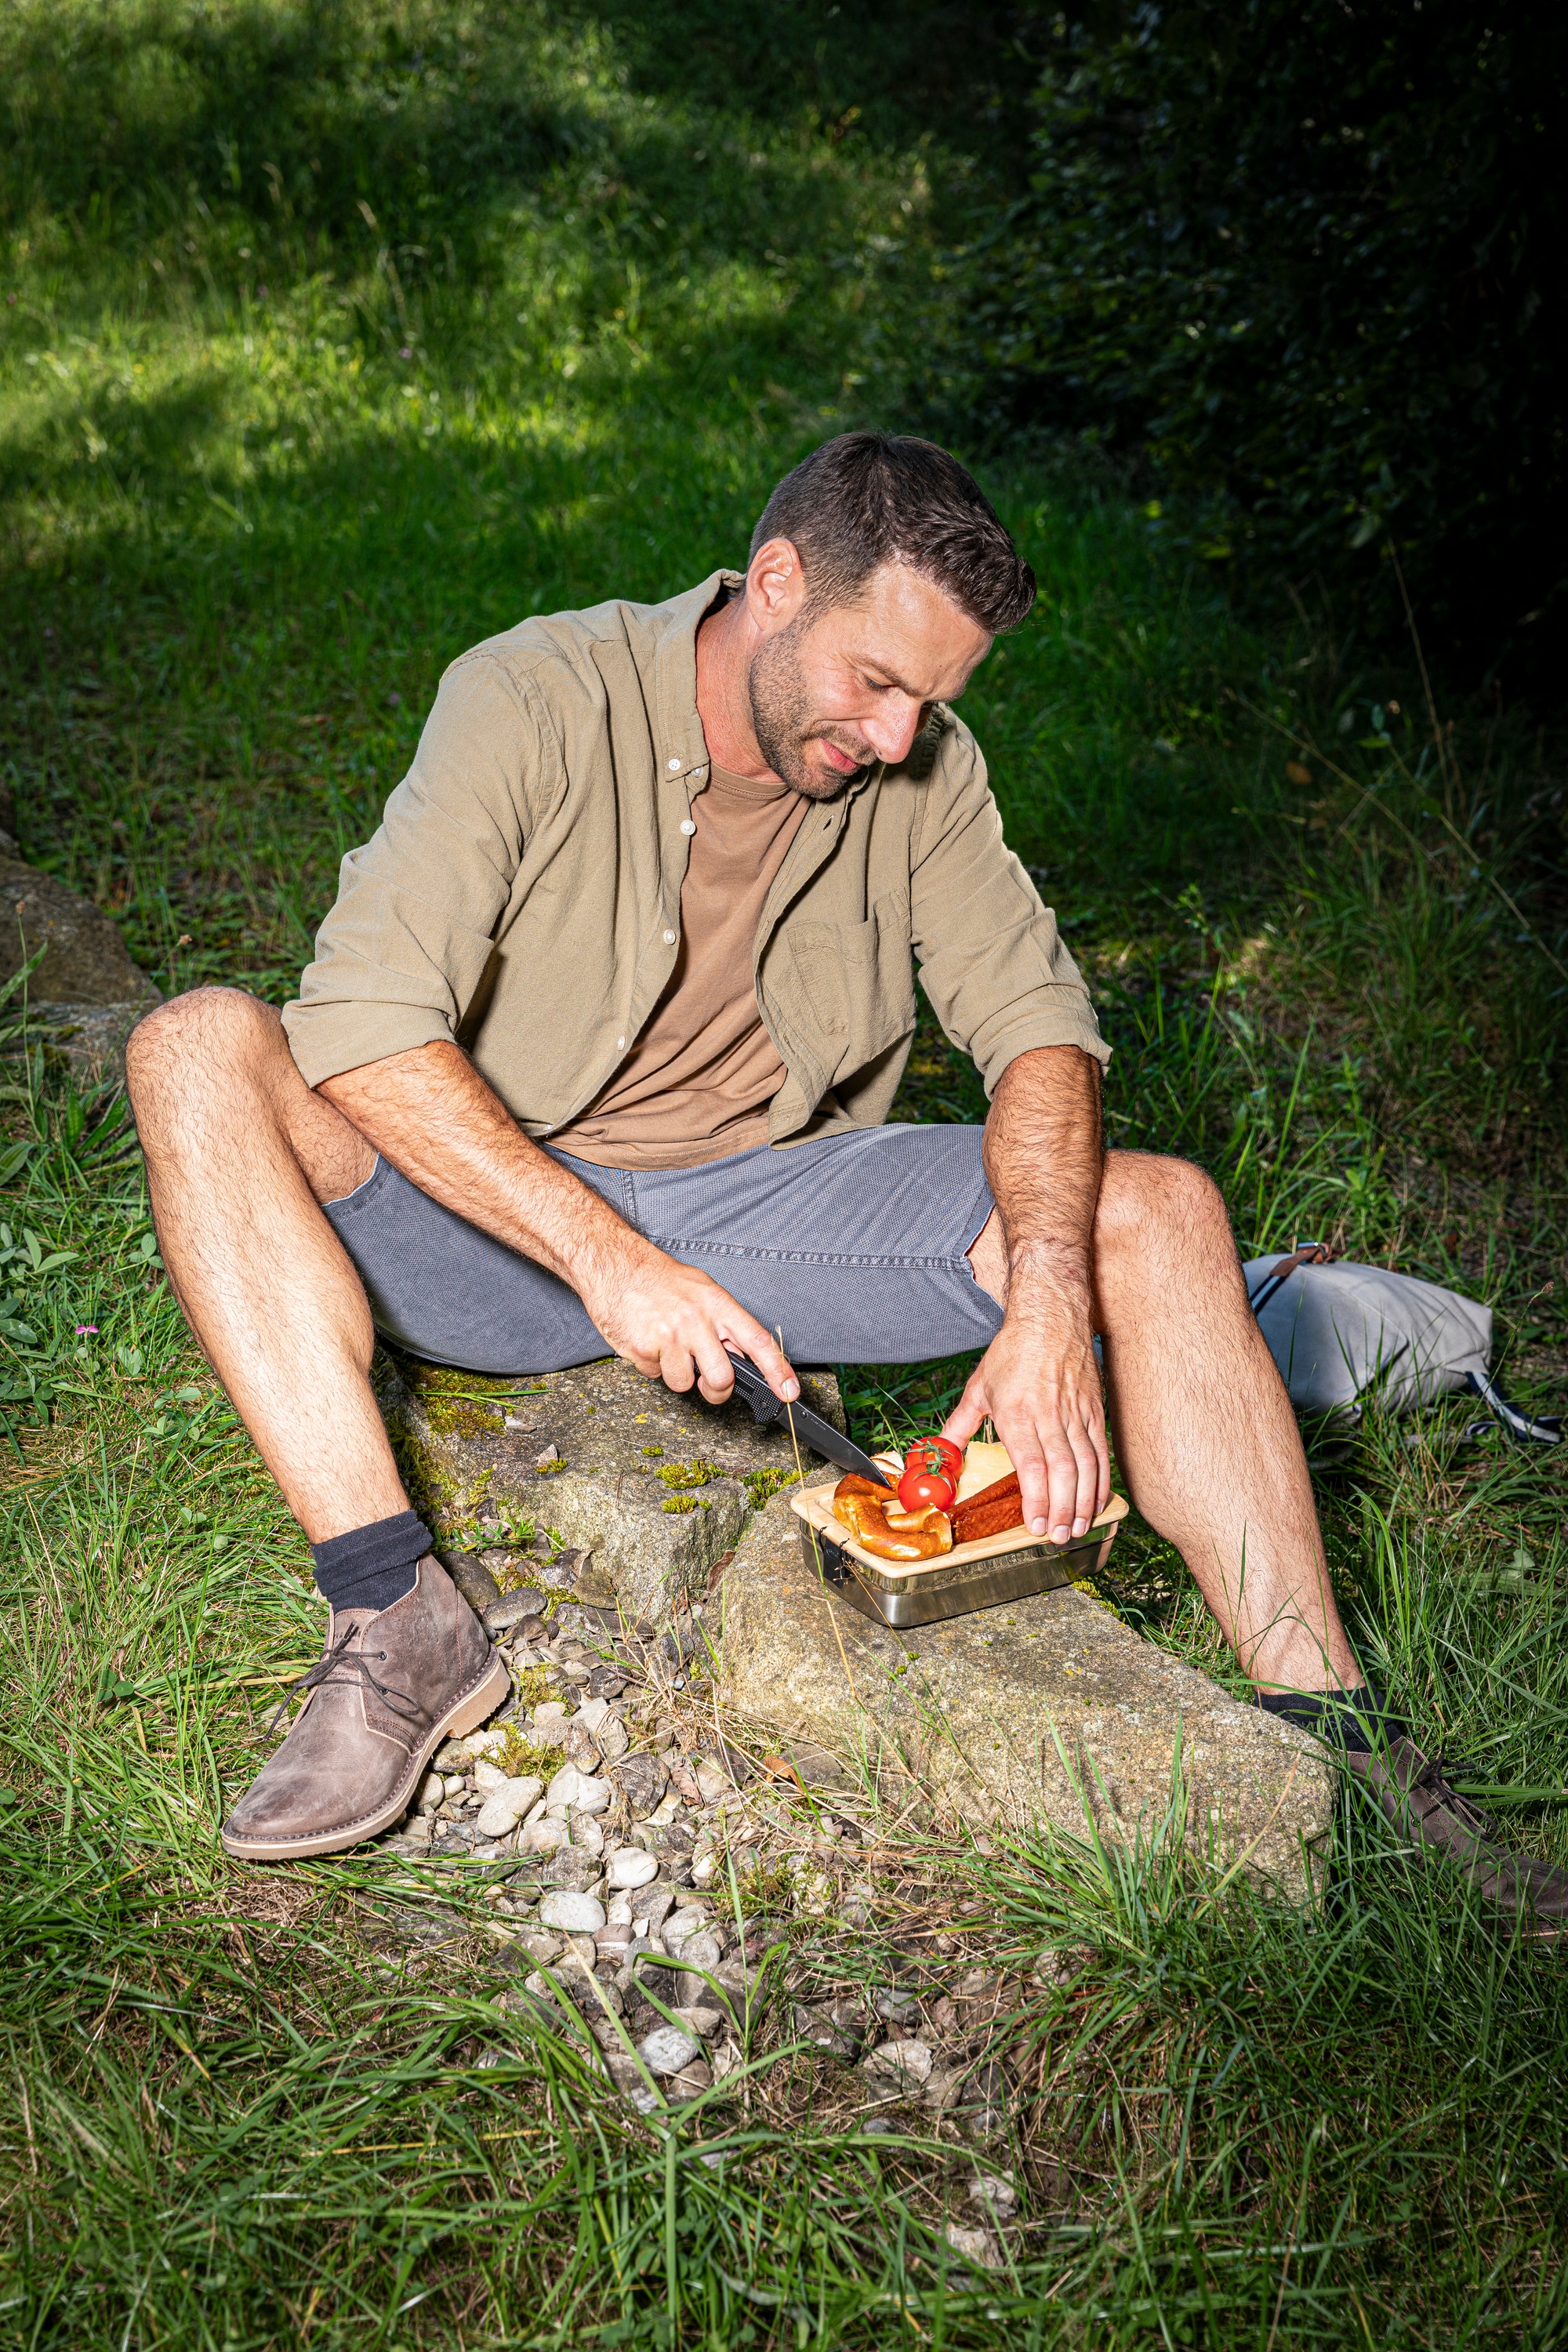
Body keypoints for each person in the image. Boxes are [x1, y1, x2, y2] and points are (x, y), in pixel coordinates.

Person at [126, 432, 1563, 1922]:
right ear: (776, 582)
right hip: (489, 1215)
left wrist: (1051, 1301)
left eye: (930, 701)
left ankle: (1338, 1737)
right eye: (875, 682)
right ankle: (394, 1614)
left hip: (763, 1206)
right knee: (193, 1046)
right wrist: (612, 1261)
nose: (894, 736)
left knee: (1162, 1209)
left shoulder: (927, 767)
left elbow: (1042, 1035)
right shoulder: (536, 695)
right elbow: (364, 1025)